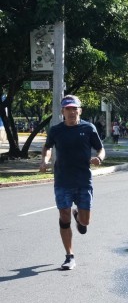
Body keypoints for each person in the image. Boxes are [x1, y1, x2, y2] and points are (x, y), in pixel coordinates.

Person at [39, 95, 106, 271]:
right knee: (64, 216)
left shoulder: (88, 128)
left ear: (80, 111)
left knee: (85, 222)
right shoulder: (56, 130)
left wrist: (99, 158)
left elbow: (101, 148)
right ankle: (69, 256)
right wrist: (44, 161)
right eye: (68, 109)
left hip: (83, 181)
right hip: (62, 181)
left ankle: (79, 217)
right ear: (63, 111)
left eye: (74, 108)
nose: (71, 112)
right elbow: (47, 147)